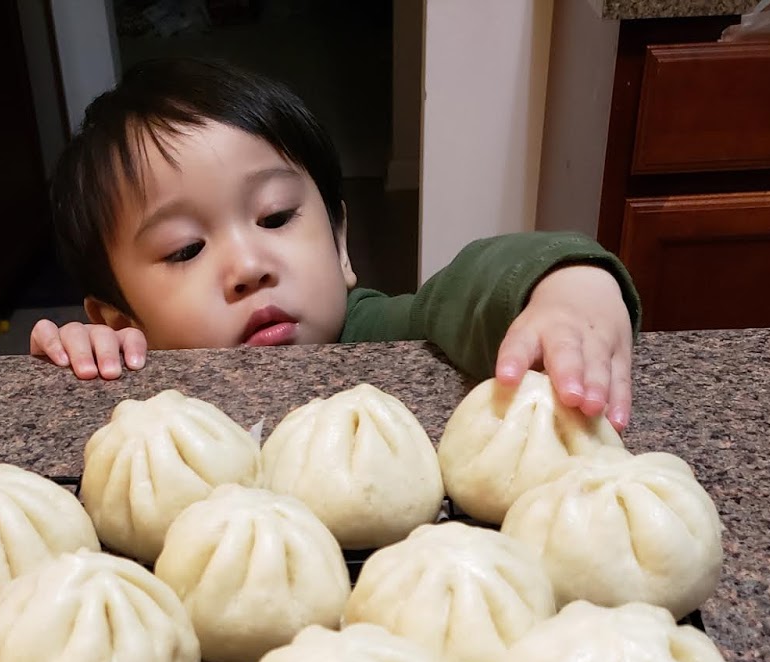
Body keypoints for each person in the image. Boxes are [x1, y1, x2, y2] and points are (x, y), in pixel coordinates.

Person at [31, 58, 639, 430]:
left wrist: (567, 288)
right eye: (186, 248)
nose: (249, 266)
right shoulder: (142, 376)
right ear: (121, 314)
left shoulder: (383, 334)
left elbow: (475, 286)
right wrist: (94, 360)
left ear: (341, 245)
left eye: (274, 217)